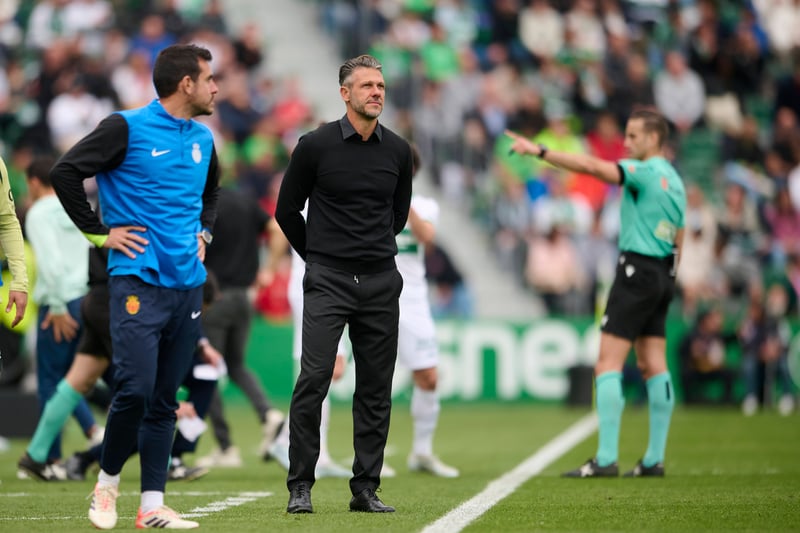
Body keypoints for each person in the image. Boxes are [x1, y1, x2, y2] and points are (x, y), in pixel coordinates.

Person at [50, 43, 220, 529]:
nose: (215, 88)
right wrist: (100, 234)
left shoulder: (204, 138)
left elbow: (212, 191)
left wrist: (205, 232)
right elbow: (65, 172)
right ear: (186, 84)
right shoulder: (125, 127)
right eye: (209, 79)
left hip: (187, 286)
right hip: (136, 281)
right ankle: (105, 489)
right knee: (136, 388)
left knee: (164, 397)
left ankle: (151, 506)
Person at [506, 108, 686, 478]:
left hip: (636, 270)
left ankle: (605, 459)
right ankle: (654, 459)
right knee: (654, 363)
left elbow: (591, 166)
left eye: (634, 136)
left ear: (654, 139)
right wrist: (668, 277)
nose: (627, 142)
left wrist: (540, 152)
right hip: (663, 273)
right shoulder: (675, 180)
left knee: (607, 363)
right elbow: (680, 233)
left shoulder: (644, 171)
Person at [274, 54, 412, 514]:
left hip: (381, 282)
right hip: (328, 280)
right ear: (345, 93)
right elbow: (286, 211)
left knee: (375, 387)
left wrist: (369, 250)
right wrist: (318, 256)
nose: (376, 92)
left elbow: (397, 215)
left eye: (381, 86)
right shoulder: (314, 145)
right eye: (367, 85)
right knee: (314, 379)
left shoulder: (398, 151)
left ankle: (365, 488)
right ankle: (300, 485)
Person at [195, 187, 286, 469]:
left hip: (213, 298)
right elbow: (277, 230)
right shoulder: (245, 200)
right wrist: (268, 269)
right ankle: (268, 414)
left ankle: (226, 447)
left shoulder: (201, 204)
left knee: (207, 370)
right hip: (244, 298)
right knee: (236, 365)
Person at [21, 155, 101, 477]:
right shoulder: (78, 205)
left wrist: (55, 306)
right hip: (88, 299)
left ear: (34, 182)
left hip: (60, 303)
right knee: (74, 378)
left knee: (51, 381)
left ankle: (49, 460)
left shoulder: (39, 213)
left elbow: (51, 262)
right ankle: (94, 431)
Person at [267, 227, 352, 480]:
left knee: (328, 370)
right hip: (315, 284)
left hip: (330, 283)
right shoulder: (311, 201)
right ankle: (287, 440)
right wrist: (270, 268)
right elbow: (280, 225)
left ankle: (314, 450)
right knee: (323, 368)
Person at [396, 145, 458, 478]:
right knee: (370, 379)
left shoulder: (423, 205)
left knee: (429, 376)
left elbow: (427, 237)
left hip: (413, 300)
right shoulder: (365, 200)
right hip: (372, 295)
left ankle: (422, 451)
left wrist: (399, 197)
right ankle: (364, 457)